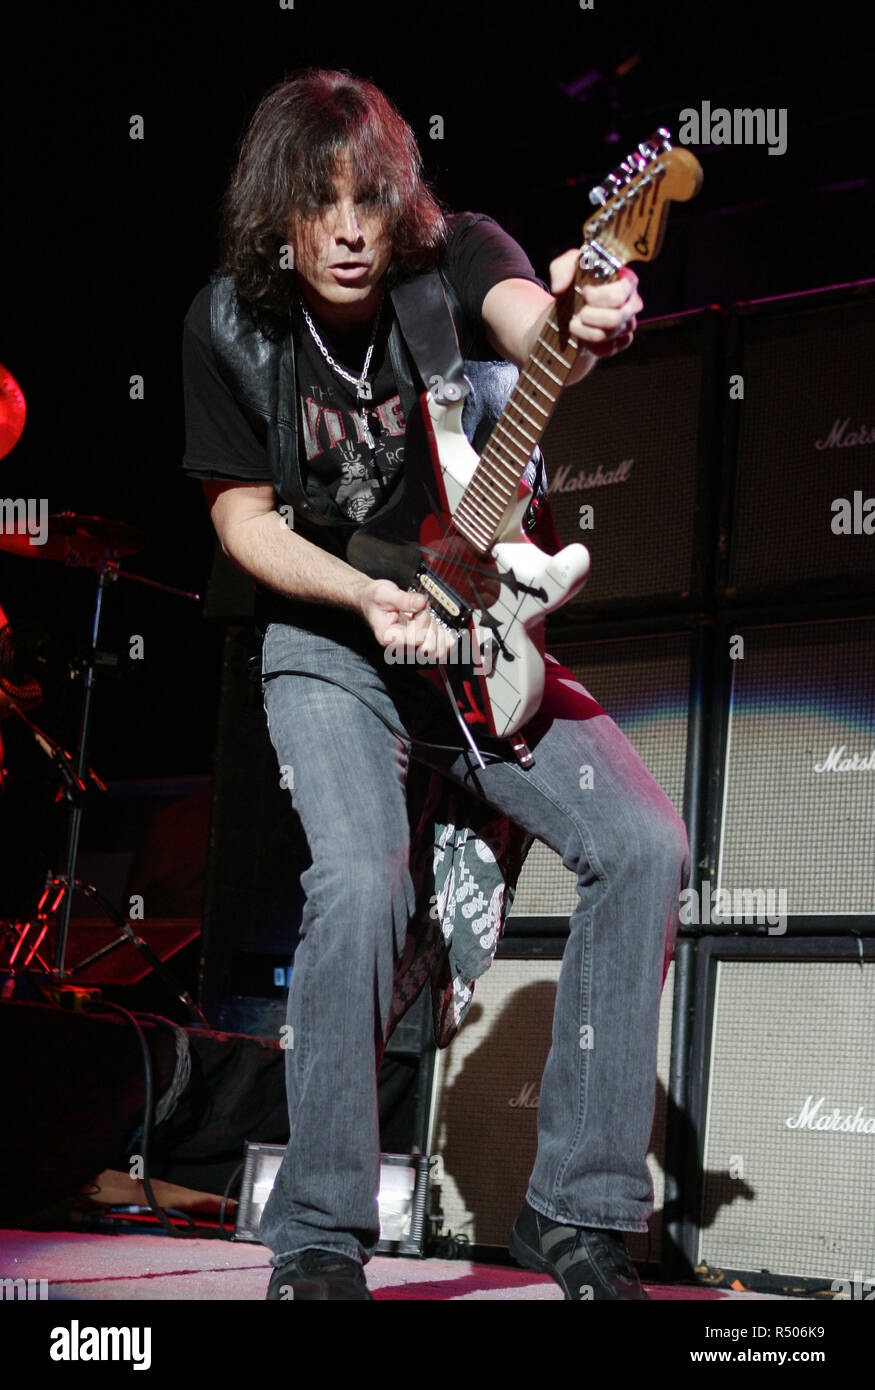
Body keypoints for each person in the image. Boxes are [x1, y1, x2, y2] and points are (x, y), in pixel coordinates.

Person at [182, 68, 690, 1301]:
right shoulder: (232, 324)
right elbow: (243, 521)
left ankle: (574, 1213)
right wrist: (362, 596)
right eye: (322, 205)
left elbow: (526, 316)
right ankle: (317, 1230)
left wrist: (581, 303)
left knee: (642, 844)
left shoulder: (448, 256)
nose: (350, 229)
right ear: (278, 212)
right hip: (334, 640)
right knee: (360, 880)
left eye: (369, 199)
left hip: (474, 630)